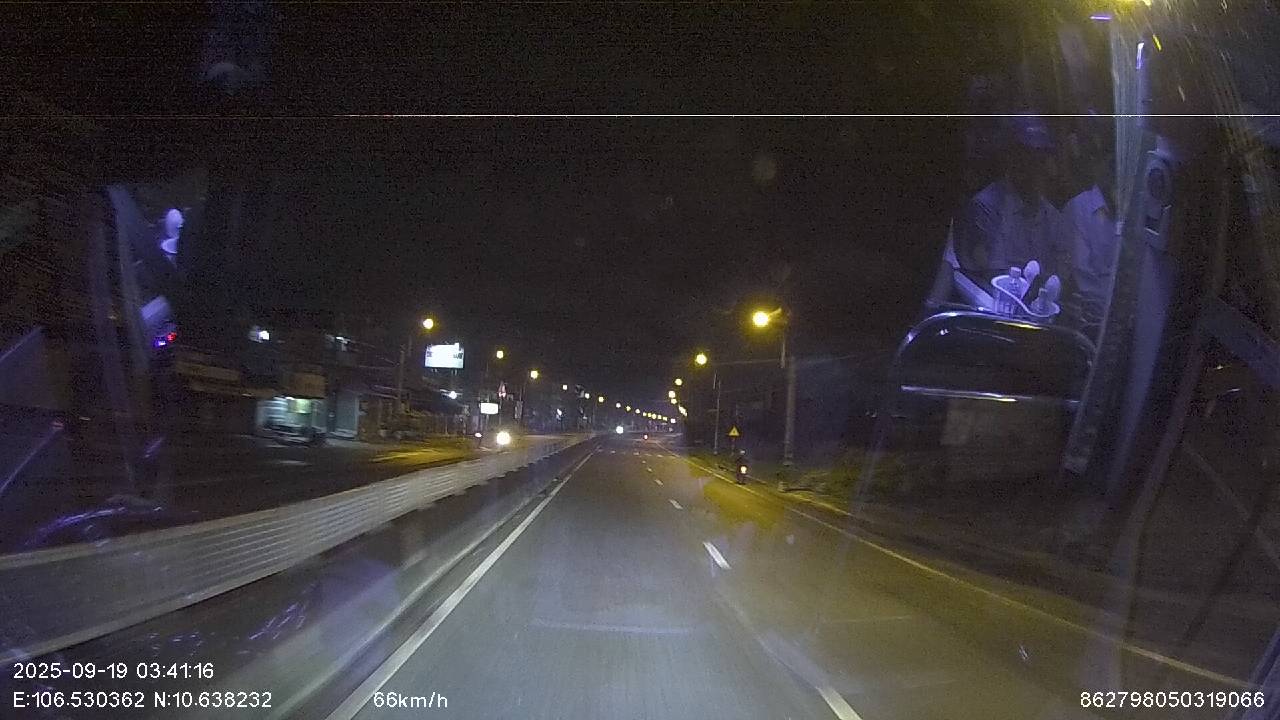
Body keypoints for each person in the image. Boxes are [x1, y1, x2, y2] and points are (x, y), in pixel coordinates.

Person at [952, 115, 1065, 284]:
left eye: (1040, 157)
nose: (1034, 165)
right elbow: (992, 278)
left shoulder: (1052, 216)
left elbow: (1060, 276)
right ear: (1010, 157)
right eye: (1025, 155)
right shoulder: (985, 207)